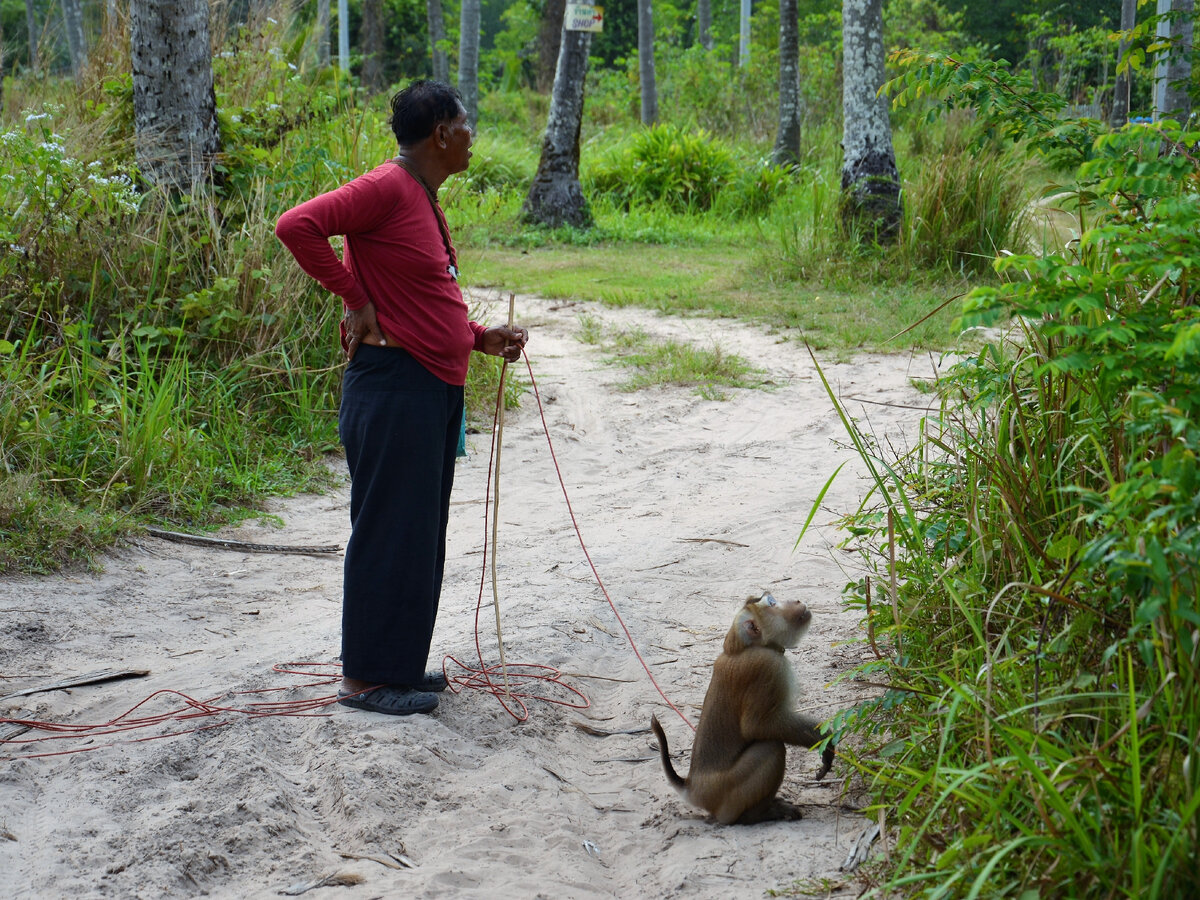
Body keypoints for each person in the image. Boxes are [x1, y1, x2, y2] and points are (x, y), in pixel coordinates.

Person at [275, 80, 528, 716]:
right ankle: (365, 680)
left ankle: (399, 667)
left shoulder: (422, 196)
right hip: (393, 387)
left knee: (418, 532)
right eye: (466, 123)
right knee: (389, 530)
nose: (473, 136)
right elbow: (297, 226)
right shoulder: (386, 187)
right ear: (442, 132)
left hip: (429, 385)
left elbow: (422, 295)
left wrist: (478, 338)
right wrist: (352, 297)